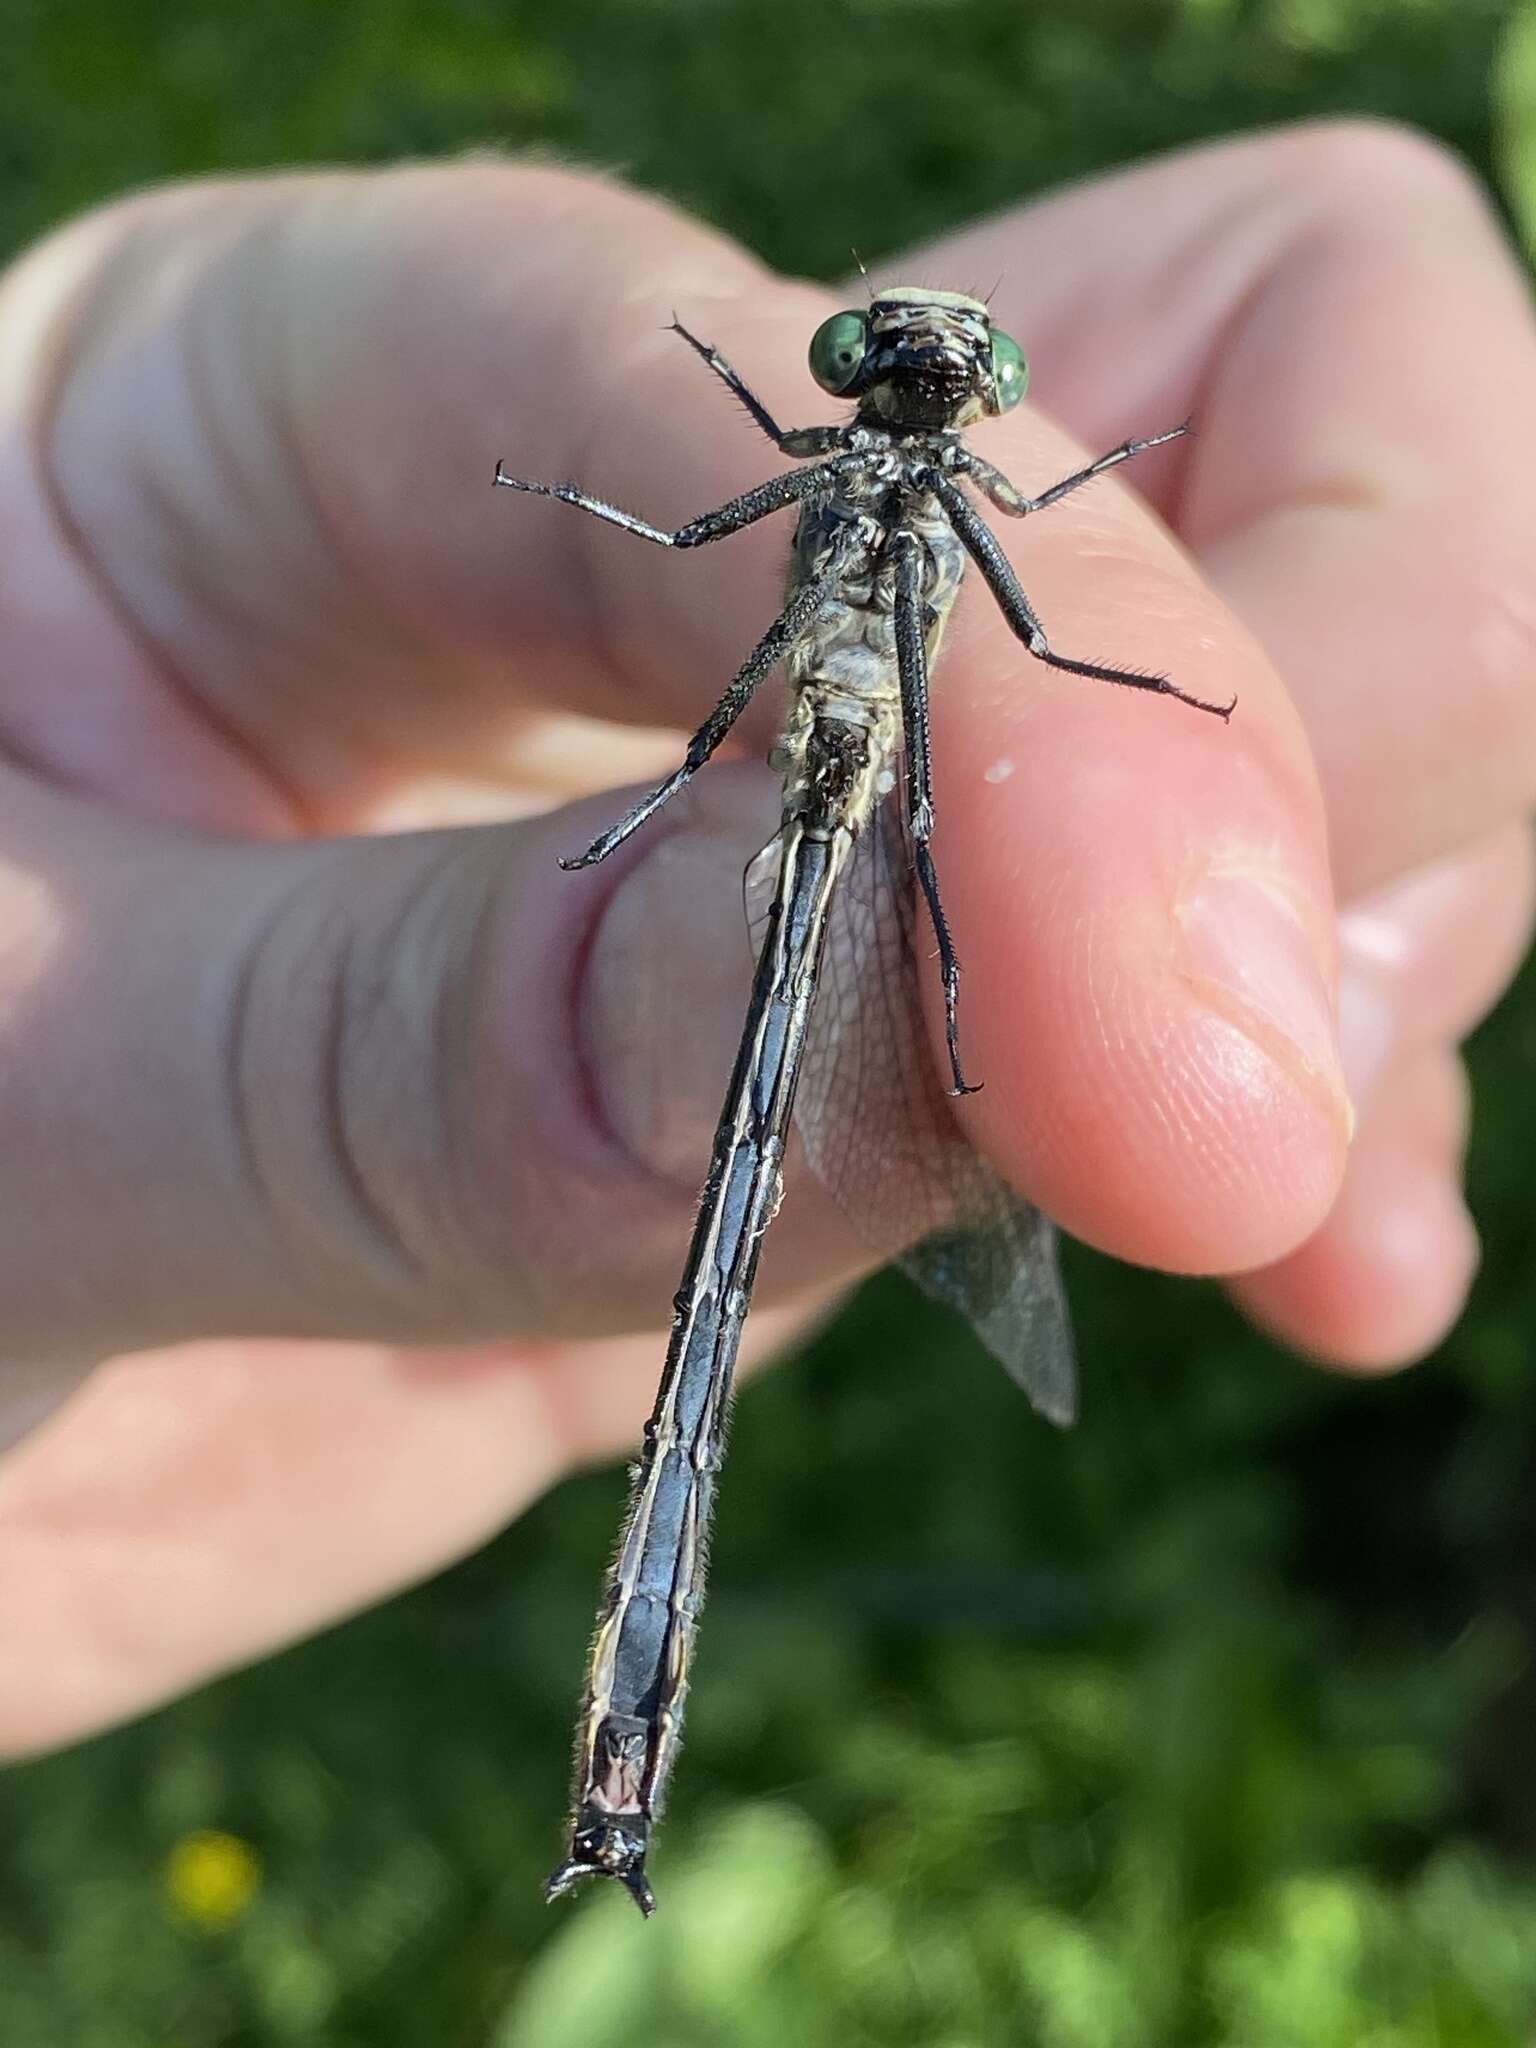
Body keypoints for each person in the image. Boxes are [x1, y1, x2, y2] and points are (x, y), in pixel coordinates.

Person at [0, 121, 1530, 1757]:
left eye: (967, 353)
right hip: (822, 747)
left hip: (876, 773)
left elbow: (1016, 631)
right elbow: (685, 548)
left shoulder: (914, 481)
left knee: (943, 864)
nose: (936, 360)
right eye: (898, 344)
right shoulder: (920, 474)